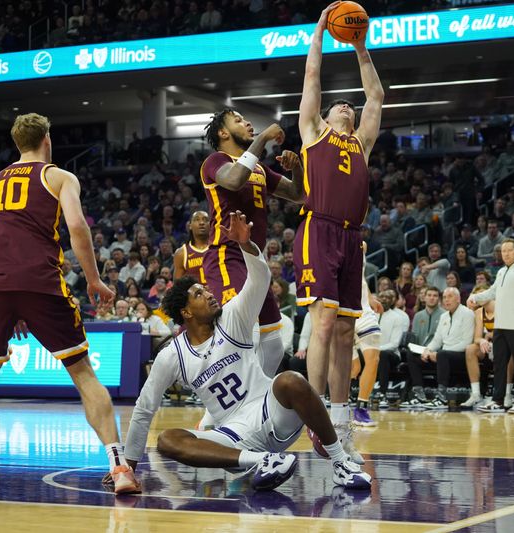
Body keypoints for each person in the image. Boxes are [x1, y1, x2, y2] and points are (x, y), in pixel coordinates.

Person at [0, 114, 140, 495]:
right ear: (47, 140)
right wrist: (93, 278)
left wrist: (7, 299)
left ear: (17, 143)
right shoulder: (59, 177)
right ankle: (119, 466)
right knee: (83, 374)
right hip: (40, 282)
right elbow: (77, 227)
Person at [121, 211, 370, 491]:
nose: (209, 293)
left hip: (272, 411)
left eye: (206, 289)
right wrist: (127, 467)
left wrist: (246, 246)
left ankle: (340, 463)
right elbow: (144, 409)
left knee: (290, 379)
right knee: (168, 440)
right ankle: (262, 461)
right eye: (199, 294)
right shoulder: (172, 355)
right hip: (233, 436)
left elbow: (259, 279)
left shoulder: (231, 318)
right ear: (186, 311)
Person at [295, 1, 384, 461]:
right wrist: (318, 33)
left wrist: (360, 48)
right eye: (339, 105)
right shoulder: (313, 133)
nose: (347, 105)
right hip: (319, 230)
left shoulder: (362, 142)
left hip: (354, 237)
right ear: (327, 116)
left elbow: (376, 97)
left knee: (347, 333)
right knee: (324, 323)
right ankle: (313, 415)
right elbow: (312, 79)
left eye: (349, 105)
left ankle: (342, 423)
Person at [201, 109, 304, 379]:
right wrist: (264, 139)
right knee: (244, 332)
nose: (247, 122)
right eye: (238, 120)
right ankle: (219, 411)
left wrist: (298, 168)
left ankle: (259, 400)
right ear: (223, 133)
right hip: (227, 255)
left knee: (273, 339)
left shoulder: (258, 168)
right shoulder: (216, 161)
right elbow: (234, 180)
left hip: (255, 261)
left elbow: (298, 194)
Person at [468, 239, 514, 414]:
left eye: (509, 250)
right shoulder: (501, 272)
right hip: (500, 326)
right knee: (499, 364)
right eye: (503, 251)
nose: (505, 254)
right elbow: (492, 292)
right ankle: (498, 401)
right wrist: (475, 298)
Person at [413, 287, 475, 410]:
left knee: (442, 355)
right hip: (443, 356)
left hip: (461, 357)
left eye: (450, 297)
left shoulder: (467, 313)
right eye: (445, 297)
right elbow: (437, 340)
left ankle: (441, 397)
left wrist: (442, 352)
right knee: (413, 355)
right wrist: (428, 350)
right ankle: (419, 395)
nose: (446, 300)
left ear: (458, 299)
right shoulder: (444, 316)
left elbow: (467, 343)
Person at [349, 245, 382, 427]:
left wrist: (369, 297)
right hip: (341, 310)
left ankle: (361, 409)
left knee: (373, 359)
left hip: (363, 311)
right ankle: (339, 406)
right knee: (353, 368)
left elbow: (360, 276)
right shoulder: (327, 241)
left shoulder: (360, 245)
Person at [173, 210, 210, 283]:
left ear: (211, 225)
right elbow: (177, 286)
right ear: (190, 226)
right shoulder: (181, 253)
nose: (202, 223)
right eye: (197, 220)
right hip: (196, 294)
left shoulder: (219, 248)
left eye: (205, 220)